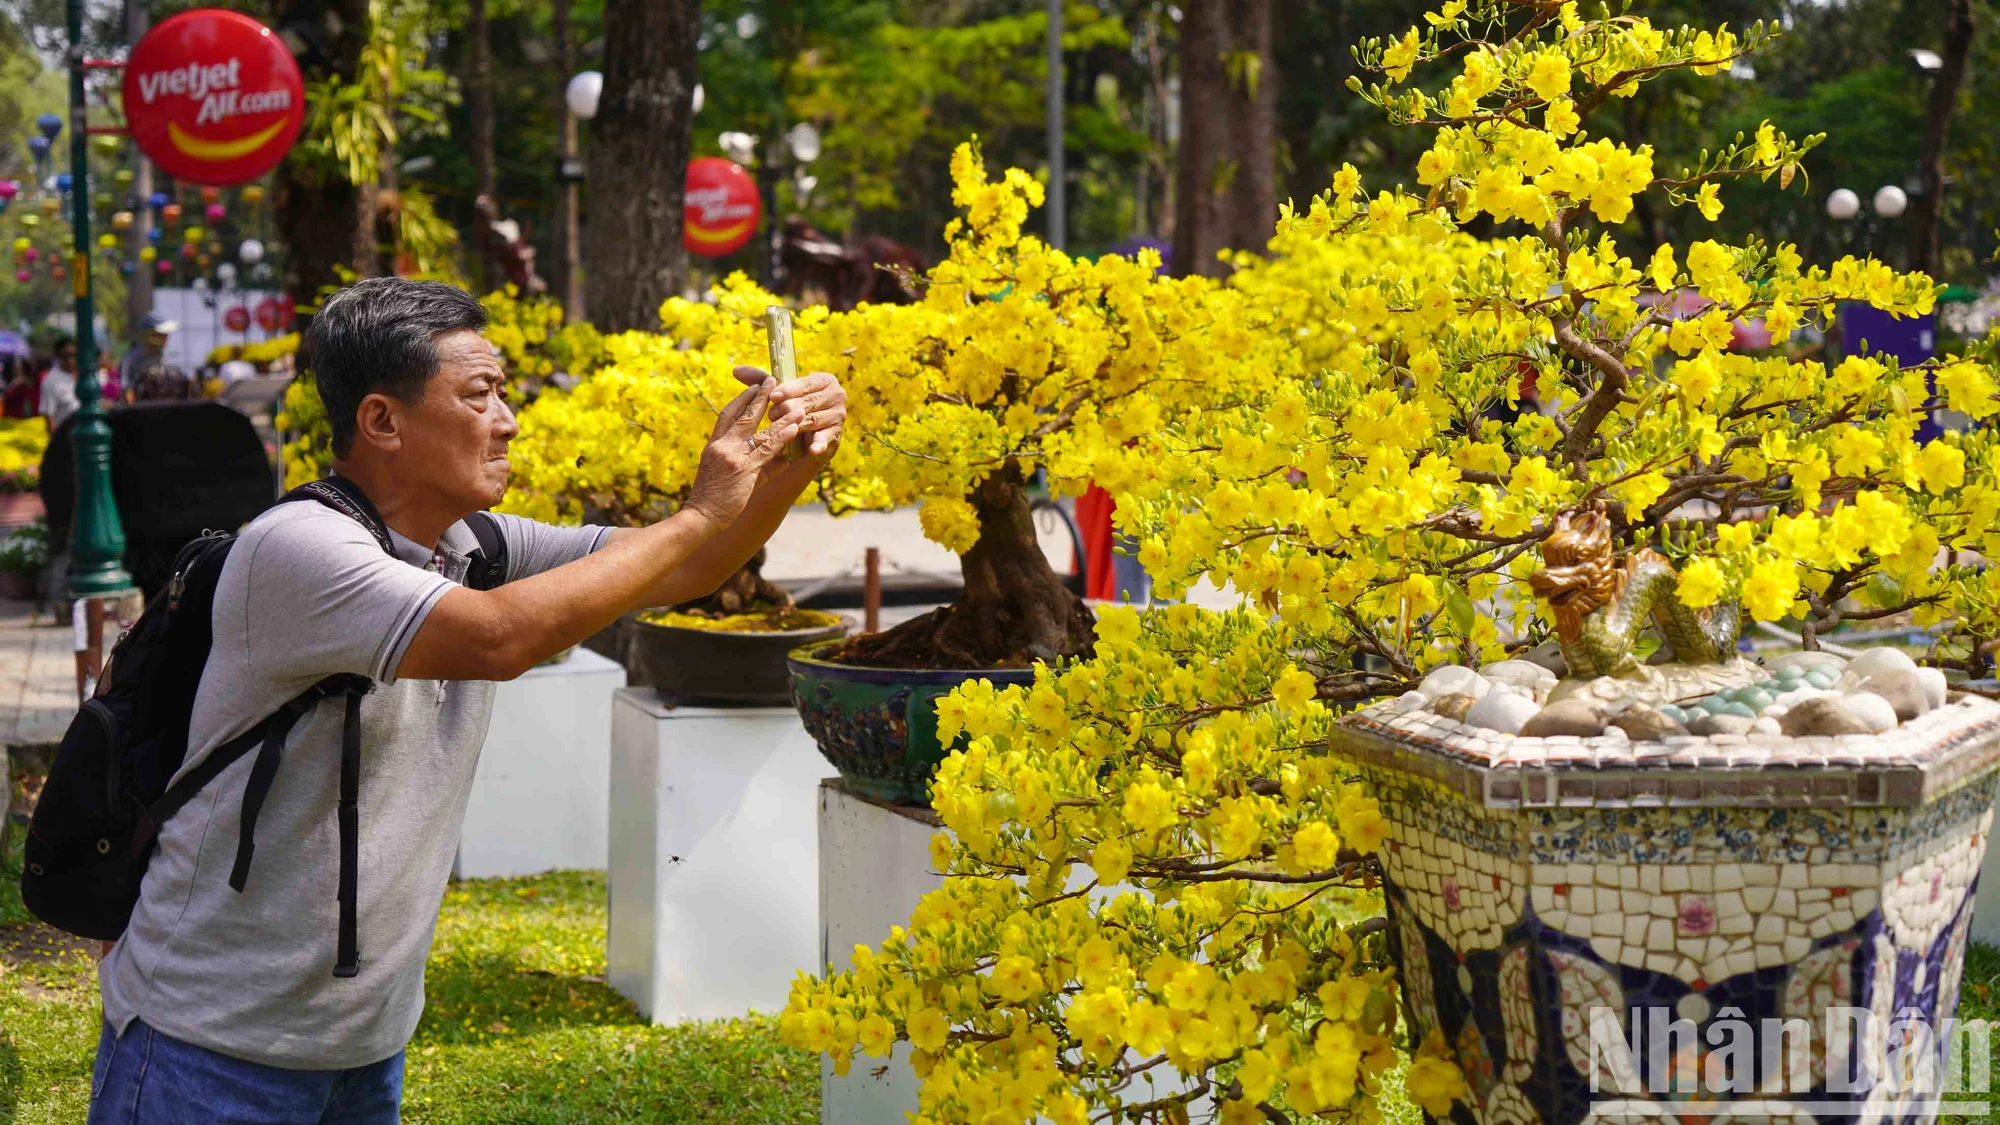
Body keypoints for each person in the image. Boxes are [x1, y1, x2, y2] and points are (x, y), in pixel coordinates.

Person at [85, 278, 847, 1124]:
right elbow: (495, 641)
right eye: (479, 394)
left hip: (363, 1047)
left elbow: (683, 567)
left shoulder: (474, 544)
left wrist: (785, 470)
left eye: (504, 394)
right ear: (382, 420)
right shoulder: (299, 549)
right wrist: (703, 507)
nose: (508, 419)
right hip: (208, 1047)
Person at [118, 311, 177, 393]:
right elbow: (125, 387)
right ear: (149, 335)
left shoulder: (161, 357)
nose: (166, 338)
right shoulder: (131, 359)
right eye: (161, 334)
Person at [40, 336, 79, 432]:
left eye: (73, 355)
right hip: (66, 436)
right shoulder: (51, 381)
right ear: (58, 356)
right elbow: (49, 417)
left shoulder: (86, 375)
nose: (70, 360)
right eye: (65, 356)